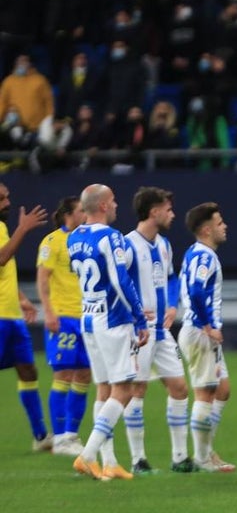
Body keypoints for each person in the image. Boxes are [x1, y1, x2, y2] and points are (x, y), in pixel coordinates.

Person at [68, 185, 149, 481]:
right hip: (113, 321)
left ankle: (110, 461)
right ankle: (88, 455)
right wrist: (139, 318)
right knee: (124, 390)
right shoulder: (110, 237)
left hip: (88, 318)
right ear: (102, 205)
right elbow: (120, 280)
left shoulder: (74, 237)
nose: (116, 206)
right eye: (113, 201)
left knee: (104, 389)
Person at [123, 188, 196, 474]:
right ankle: (137, 459)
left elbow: (171, 278)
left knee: (179, 388)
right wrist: (133, 312)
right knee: (136, 390)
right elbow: (116, 286)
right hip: (137, 332)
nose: (172, 214)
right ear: (154, 212)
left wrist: (173, 304)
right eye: (168, 209)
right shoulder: (127, 246)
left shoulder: (164, 245)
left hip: (163, 332)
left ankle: (179, 458)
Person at [178, 202, 234, 473]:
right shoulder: (205, 257)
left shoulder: (196, 253)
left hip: (198, 331)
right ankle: (201, 458)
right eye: (220, 222)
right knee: (204, 393)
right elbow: (198, 291)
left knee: (222, 389)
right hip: (199, 332)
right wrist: (207, 325)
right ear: (206, 228)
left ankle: (207, 450)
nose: (225, 226)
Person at [35, 196, 89, 456]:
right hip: (63, 317)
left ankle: (71, 435)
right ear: (69, 214)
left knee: (84, 376)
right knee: (63, 375)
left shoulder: (86, 239)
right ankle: (58, 439)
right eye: (81, 210)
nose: (85, 214)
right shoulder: (52, 241)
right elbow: (43, 278)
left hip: (87, 318)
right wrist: (48, 311)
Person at [0, 183, 50, 452]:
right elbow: (1, 258)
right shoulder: (6, 230)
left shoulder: (2, 228)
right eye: (1, 199)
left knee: (28, 369)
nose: (7, 203)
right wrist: (24, 228)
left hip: (11, 318)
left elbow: (4, 272)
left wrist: (20, 298)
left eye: (7, 196)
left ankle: (41, 437)